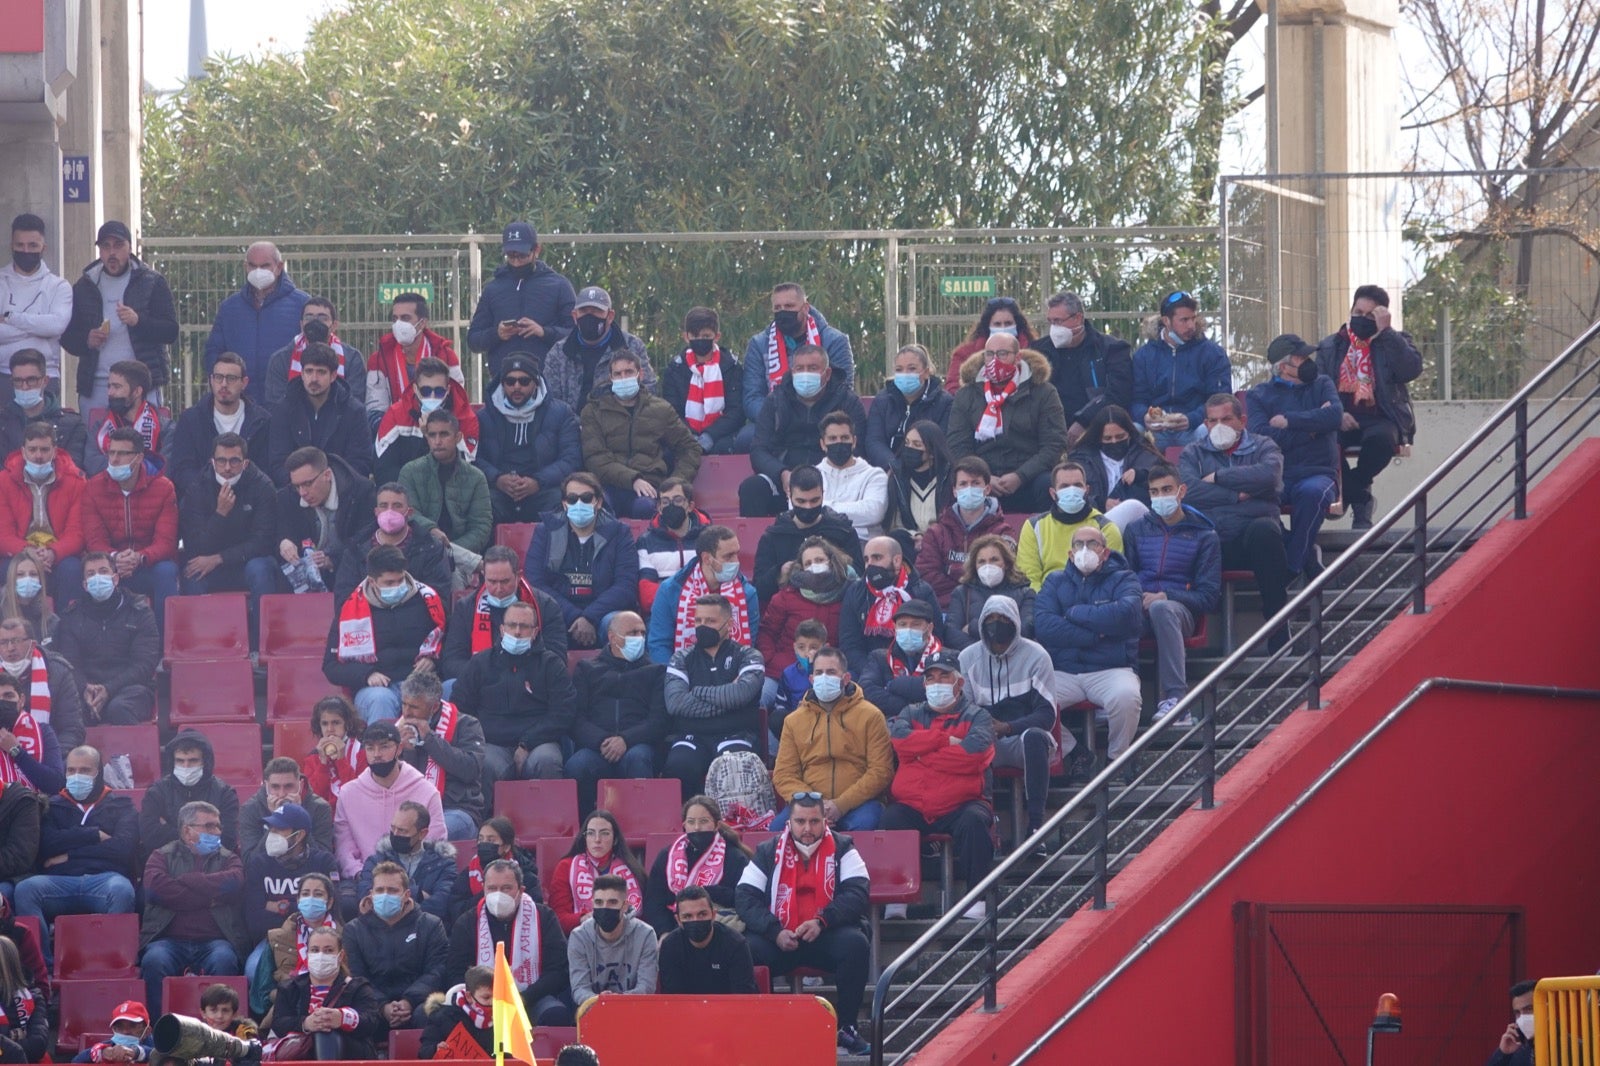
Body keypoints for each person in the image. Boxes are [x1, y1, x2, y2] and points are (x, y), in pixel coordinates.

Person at [735, 793, 872, 1056]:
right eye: (800, 821)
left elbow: (857, 893)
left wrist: (822, 921)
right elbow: (744, 897)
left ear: (825, 821)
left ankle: (846, 1028)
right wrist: (773, 931)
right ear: (789, 822)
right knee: (744, 949)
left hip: (826, 934)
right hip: (779, 937)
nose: (807, 829)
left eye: (813, 821)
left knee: (856, 944)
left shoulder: (844, 847)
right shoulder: (767, 850)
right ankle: (759, 1029)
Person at [882, 651, 996, 920]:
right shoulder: (910, 712)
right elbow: (899, 742)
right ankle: (898, 898)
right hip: (914, 804)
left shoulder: (978, 716)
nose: (936, 683)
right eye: (930, 678)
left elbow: (974, 756)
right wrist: (945, 741)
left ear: (959, 683)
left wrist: (921, 753)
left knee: (975, 820)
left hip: (962, 803)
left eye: (944, 676)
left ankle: (977, 897)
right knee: (891, 817)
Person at [1180, 393, 1290, 652]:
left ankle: (1278, 624)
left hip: (1252, 539)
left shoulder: (1265, 445)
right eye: (1212, 420)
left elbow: (1268, 478)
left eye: (1226, 419)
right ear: (1205, 424)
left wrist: (1218, 476)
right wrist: (1237, 494)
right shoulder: (1192, 453)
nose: (1219, 426)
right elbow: (1189, 491)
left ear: (1242, 420)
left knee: (1266, 531)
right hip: (1211, 538)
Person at [1313, 285, 1422, 530]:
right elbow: (1316, 389)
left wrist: (1387, 333)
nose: (1361, 319)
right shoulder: (1331, 345)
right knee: (1325, 445)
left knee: (1381, 441)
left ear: (1381, 316)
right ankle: (1361, 498)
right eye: (1357, 312)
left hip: (1381, 417)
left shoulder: (1394, 341)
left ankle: (1355, 488)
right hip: (1339, 417)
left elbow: (1410, 370)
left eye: (1369, 315)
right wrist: (1337, 413)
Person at [1118, 462, 1221, 720]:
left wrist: (1167, 596)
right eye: (1154, 492)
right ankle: (1119, 698)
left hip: (1180, 612)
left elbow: (1209, 597)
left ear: (1181, 490)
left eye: (1167, 489)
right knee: (1116, 612)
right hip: (1140, 608)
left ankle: (1177, 700)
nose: (1160, 497)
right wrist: (1135, 598)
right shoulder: (1135, 530)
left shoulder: (1205, 535)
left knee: (1161, 608)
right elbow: (1126, 576)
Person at [14, 746, 137, 960]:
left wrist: (69, 855)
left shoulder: (121, 805)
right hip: (58, 882)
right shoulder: (50, 805)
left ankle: (109, 962)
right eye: (71, 770)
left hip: (105, 880)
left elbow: (123, 848)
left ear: (99, 772)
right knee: (25, 889)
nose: (76, 776)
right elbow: (46, 845)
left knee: (122, 890)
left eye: (84, 770)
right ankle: (43, 966)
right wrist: (94, 834)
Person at [1034, 524, 1143, 761]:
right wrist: (1096, 635)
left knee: (1127, 697)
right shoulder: (1054, 581)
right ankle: (1075, 754)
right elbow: (1044, 626)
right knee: (1027, 703)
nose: (1085, 549)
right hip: (1063, 671)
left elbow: (1126, 616)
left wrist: (1073, 613)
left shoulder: (1124, 578)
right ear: (1070, 554)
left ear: (1105, 552)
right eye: (1079, 544)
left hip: (1111, 669)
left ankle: (1118, 759)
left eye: (1092, 543)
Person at [959, 596, 1064, 839]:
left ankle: (1036, 827)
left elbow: (1047, 714)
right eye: (991, 619)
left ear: (1015, 621)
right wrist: (987, 728)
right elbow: (964, 710)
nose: (997, 624)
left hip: (1022, 739)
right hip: (987, 738)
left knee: (1036, 737)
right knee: (969, 742)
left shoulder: (1037, 656)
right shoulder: (967, 658)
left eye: (1004, 619)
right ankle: (988, 829)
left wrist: (1007, 727)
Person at [138, 800, 248, 1014]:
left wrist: (190, 880)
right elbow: (155, 890)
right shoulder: (161, 855)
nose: (216, 831)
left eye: (218, 826)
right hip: (168, 940)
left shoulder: (229, 858)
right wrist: (210, 898)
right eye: (208, 826)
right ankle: (161, 1030)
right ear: (187, 831)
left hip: (216, 941)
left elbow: (234, 883)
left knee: (224, 959)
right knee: (154, 960)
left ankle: (221, 1032)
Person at [452, 600, 576, 789]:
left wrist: (527, 743)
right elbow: (460, 708)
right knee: (483, 765)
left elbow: (563, 712)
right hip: (491, 743)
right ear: (502, 629)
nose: (517, 631)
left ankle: (548, 818)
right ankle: (480, 818)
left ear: (534, 632)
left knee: (547, 761)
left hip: (539, 743)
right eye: (512, 625)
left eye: (524, 626)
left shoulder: (551, 665)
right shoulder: (480, 663)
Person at [1247, 334, 1342, 578]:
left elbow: (1334, 417)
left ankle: (1291, 567)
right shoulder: (1259, 395)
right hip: (1277, 474)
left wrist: (1290, 421)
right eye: (1301, 358)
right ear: (1282, 367)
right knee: (1250, 503)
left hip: (1318, 472)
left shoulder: (1322, 384)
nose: (1309, 361)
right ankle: (1305, 554)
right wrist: (1311, 431)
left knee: (1313, 494)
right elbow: (1261, 437)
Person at [771, 647, 893, 832]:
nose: (824, 677)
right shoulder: (793, 721)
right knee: (777, 829)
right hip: (807, 805)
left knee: (864, 825)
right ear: (811, 680)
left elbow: (880, 771)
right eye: (819, 673)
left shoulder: (871, 715)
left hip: (859, 804)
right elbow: (783, 775)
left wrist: (841, 805)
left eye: (831, 672)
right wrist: (813, 805)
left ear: (846, 678)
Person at [323, 544, 448, 724]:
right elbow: (330, 666)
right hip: (376, 689)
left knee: (439, 694)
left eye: (401, 580)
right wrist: (366, 674)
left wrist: (433, 659)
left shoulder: (428, 601)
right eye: (389, 583)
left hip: (421, 683)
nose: (397, 586)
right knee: (380, 699)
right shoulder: (349, 610)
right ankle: (383, 750)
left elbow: (451, 645)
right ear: (372, 581)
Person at [62, 220, 178, 413]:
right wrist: (87, 340)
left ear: (130, 248)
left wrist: (138, 321)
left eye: (118, 246)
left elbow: (171, 331)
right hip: (97, 385)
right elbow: (67, 337)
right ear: (99, 250)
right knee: (95, 442)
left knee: (145, 442)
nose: (112, 253)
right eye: (105, 247)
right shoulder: (84, 286)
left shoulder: (152, 282)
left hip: (142, 385)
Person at [948, 331, 1069, 514]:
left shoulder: (1044, 392)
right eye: (989, 354)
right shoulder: (967, 395)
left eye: (1002, 354)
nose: (995, 360)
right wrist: (985, 477)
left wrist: (1020, 476)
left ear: (1017, 357)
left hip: (1030, 477)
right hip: (982, 477)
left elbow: (1054, 444)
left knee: (1048, 484)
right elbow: (958, 445)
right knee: (956, 484)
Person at [740, 343, 866, 517]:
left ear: (827, 373)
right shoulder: (776, 400)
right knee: (752, 488)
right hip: (784, 478)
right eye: (800, 368)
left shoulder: (847, 401)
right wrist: (782, 473)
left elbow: (858, 446)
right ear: (792, 372)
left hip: (832, 479)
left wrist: (825, 475)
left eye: (812, 368)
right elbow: (758, 449)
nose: (805, 374)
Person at [444, 859, 571, 1026]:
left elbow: (557, 970)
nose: (498, 895)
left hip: (532, 998)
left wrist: (523, 998)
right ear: (483, 890)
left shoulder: (544, 917)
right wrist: (483, 999)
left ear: (521, 890)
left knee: (555, 1013)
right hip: (482, 1001)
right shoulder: (466, 922)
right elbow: (455, 972)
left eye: (506, 888)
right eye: (492, 888)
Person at [662, 594, 766, 799]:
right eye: (699, 620)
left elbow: (740, 694)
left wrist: (696, 691)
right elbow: (675, 703)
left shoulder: (749, 655)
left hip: (736, 733)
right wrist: (728, 697)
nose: (703, 626)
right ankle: (690, 823)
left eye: (711, 621)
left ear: (729, 624)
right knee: (678, 764)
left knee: (735, 766)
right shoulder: (681, 658)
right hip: (692, 735)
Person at [524, 472, 639, 650]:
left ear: (598, 502)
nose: (579, 504)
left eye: (586, 498)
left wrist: (590, 617)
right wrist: (575, 617)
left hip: (604, 614)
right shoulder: (545, 531)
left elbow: (625, 585)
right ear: (564, 504)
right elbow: (535, 583)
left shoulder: (619, 532)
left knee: (624, 626)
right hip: (558, 613)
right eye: (572, 498)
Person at [566, 612, 667, 815]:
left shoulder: (656, 672)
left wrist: (625, 740)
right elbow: (576, 718)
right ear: (612, 637)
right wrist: (602, 741)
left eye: (642, 633)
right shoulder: (587, 669)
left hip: (638, 746)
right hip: (596, 748)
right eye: (632, 633)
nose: (639, 638)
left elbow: (659, 721)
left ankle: (641, 826)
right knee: (577, 765)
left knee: (638, 759)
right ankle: (586, 828)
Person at [580, 349, 700, 520]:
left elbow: (690, 448)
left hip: (649, 485)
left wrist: (674, 484)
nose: (623, 378)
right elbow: (595, 457)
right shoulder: (593, 411)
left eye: (628, 372)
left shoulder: (661, 409)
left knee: (646, 509)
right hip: (607, 485)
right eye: (618, 374)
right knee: (599, 509)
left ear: (640, 374)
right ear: (611, 378)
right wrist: (633, 479)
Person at [81, 426, 178, 628]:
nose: (114, 460)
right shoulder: (93, 487)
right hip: (110, 564)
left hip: (147, 564)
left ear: (139, 457)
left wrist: (139, 557)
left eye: (122, 454)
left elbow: (167, 543)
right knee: (84, 571)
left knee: (167, 571)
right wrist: (115, 558)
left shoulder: (164, 488)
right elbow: (94, 540)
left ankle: (164, 643)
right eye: (111, 452)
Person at [331, 721, 447, 881]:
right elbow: (344, 848)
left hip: (414, 882)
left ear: (399, 749)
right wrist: (360, 874)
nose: (377, 754)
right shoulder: (348, 794)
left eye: (384, 747)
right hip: (364, 880)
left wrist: (406, 881)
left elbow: (435, 844)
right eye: (370, 748)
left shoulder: (427, 791)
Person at [54, 552, 160, 725]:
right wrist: (84, 687)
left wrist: (109, 689)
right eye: (91, 574)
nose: (97, 577)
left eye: (103, 571)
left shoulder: (139, 612)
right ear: (85, 585)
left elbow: (145, 665)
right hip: (87, 690)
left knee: (119, 708)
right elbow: (69, 663)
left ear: (115, 578)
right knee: (74, 710)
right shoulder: (71, 617)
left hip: (131, 689)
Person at [342, 862, 450, 1031]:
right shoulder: (353, 930)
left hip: (418, 1003)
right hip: (372, 1005)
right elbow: (357, 975)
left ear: (406, 894)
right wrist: (383, 1007)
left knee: (431, 1014)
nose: (385, 895)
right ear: (371, 894)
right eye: (379, 890)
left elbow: (436, 970)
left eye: (392, 890)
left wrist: (408, 1001)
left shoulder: (431, 925)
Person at [475, 352, 581, 524]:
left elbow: (571, 459)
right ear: (502, 384)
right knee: (481, 505)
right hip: (499, 491)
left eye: (524, 381)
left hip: (543, 490)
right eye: (510, 381)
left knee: (561, 502)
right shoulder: (484, 417)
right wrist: (497, 479)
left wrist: (538, 481)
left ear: (536, 382)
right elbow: (474, 458)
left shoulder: (561, 413)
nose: (517, 387)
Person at [440, 545, 567, 686]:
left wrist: (513, 678)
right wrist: (487, 675)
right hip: (481, 685)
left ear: (518, 576)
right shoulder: (465, 608)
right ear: (483, 576)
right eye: (492, 582)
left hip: (530, 686)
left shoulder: (546, 606)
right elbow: (451, 662)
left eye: (505, 581)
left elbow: (557, 660)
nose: (499, 589)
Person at [466, 222, 577, 383]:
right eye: (511, 256)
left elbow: (576, 335)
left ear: (536, 250)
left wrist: (543, 332)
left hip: (548, 384)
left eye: (522, 255)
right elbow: (473, 340)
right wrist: (497, 334)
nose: (516, 262)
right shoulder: (493, 289)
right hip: (503, 385)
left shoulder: (559, 286)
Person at [203, 241, 310, 405]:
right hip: (241, 405)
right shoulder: (229, 308)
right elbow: (213, 352)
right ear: (246, 266)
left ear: (279, 266)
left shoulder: (302, 305)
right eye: (253, 265)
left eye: (265, 265)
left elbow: (315, 352)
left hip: (288, 403)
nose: (258, 271)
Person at [241, 803, 336, 987]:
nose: (272, 834)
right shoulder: (259, 863)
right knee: (253, 972)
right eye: (271, 829)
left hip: (320, 936)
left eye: (279, 829)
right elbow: (254, 920)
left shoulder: (323, 861)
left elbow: (331, 908)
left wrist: (278, 907)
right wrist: (303, 910)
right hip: (272, 939)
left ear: (299, 835)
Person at [176, 433, 280, 601]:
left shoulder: (262, 486)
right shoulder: (197, 487)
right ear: (212, 462)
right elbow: (194, 545)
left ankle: (261, 627)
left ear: (245, 463)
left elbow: (263, 542)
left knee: (261, 569)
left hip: (247, 562)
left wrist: (220, 558)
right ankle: (202, 628)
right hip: (207, 562)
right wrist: (220, 514)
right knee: (192, 572)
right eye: (221, 461)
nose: (227, 468)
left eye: (234, 461)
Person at [1130, 290, 1233, 449]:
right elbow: (1136, 399)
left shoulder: (1213, 354)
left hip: (1195, 427)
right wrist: (1145, 417)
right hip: (1155, 430)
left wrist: (1191, 419)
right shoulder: (1144, 355)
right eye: (1184, 320)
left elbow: (1219, 399)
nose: (1191, 325)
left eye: (1193, 318)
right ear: (1166, 321)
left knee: (1210, 431)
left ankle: (1208, 473)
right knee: (1132, 431)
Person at [742, 283, 855, 424]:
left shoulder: (835, 341)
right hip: (776, 422)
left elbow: (843, 392)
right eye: (777, 308)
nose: (783, 312)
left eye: (789, 306)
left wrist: (810, 421)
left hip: (823, 423)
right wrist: (777, 418)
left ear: (805, 308)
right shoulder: (759, 344)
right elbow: (752, 398)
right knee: (744, 439)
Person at [0, 419, 86, 604]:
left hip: (58, 554)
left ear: (55, 451)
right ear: (23, 451)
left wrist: (53, 553)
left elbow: (77, 533)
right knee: (6, 568)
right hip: (19, 551)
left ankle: (68, 630)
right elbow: (4, 534)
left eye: (45, 450)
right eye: (32, 450)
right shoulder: (4, 481)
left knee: (71, 569)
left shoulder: (76, 482)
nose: (38, 456)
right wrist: (28, 552)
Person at [1032, 291, 1134, 447]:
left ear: (1078, 318)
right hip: (1049, 431)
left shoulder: (1111, 349)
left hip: (1098, 429)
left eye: (1059, 321)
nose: (1054, 327)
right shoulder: (1039, 351)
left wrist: (1083, 421)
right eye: (1051, 322)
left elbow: (1118, 394)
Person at [266, 342, 375, 487]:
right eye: (309, 371)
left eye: (321, 372)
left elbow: (360, 462)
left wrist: (326, 486)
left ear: (333, 375)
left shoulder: (354, 411)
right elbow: (278, 462)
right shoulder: (284, 409)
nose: (314, 379)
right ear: (302, 374)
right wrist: (305, 486)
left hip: (340, 492)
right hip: (295, 492)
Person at [750, 465, 864, 603]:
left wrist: (838, 567)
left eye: (815, 500)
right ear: (789, 494)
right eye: (801, 501)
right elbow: (759, 591)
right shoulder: (773, 537)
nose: (808, 507)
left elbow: (859, 580)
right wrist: (779, 573)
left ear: (823, 494)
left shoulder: (843, 531)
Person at [268, 927, 385, 1060]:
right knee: (320, 1033)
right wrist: (306, 1023)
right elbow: (279, 1024)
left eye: (328, 950)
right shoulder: (289, 987)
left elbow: (372, 1022)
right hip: (301, 1053)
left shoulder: (358, 987)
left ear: (340, 956)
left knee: (326, 1034)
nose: (321, 955)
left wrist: (342, 1019)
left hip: (349, 1054)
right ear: (307, 954)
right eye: (315, 950)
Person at [395, 669, 486, 840]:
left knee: (427, 836)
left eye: (414, 707)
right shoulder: (398, 729)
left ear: (434, 706)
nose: (406, 713)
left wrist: (430, 739)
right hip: (410, 811)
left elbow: (470, 769)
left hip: (457, 810)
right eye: (404, 704)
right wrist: (407, 751)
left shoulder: (467, 725)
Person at [647, 525, 758, 664]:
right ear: (706, 558)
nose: (736, 562)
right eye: (728, 556)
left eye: (737, 554)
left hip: (732, 676)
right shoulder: (670, 591)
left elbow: (749, 646)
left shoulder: (747, 593)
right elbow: (659, 645)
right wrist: (674, 679)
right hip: (681, 675)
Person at [641, 796, 752, 934]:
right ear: (684, 825)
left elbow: (745, 900)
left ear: (716, 825)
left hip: (720, 931)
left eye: (704, 821)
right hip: (675, 930)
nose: (697, 827)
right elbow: (654, 902)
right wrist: (664, 933)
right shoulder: (667, 856)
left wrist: (712, 892)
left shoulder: (735, 857)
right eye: (691, 822)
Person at [167, 352, 272, 497]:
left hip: (250, 502)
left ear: (244, 383)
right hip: (204, 502)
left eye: (231, 378)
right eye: (218, 377)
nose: (223, 384)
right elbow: (181, 470)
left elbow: (267, 468)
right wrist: (211, 492)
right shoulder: (191, 420)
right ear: (211, 380)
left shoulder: (262, 420)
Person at [543, 285, 659, 415]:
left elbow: (649, 390)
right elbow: (550, 400)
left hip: (618, 426)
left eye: (596, 311)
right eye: (584, 311)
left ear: (610, 316)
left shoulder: (632, 346)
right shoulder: (559, 353)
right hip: (570, 428)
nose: (589, 316)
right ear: (575, 316)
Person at [398, 409, 494, 566]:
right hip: (420, 553)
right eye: (432, 435)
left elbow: (481, 528)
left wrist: (450, 550)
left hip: (461, 559)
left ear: (458, 437)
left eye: (444, 434)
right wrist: (430, 530)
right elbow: (408, 513)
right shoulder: (410, 472)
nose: (437, 441)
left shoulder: (476, 477)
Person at [756, 538, 852, 695]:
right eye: (808, 563)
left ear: (831, 561)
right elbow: (766, 633)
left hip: (829, 674)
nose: (814, 565)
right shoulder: (786, 596)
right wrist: (772, 661)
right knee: (762, 698)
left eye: (819, 560)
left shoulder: (849, 592)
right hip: (782, 671)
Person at [915, 456, 1015, 604]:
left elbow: (1005, 576)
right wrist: (964, 593)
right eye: (963, 484)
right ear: (955, 491)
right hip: (945, 608)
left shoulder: (1002, 533)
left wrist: (951, 571)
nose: (969, 488)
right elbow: (927, 576)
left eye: (975, 483)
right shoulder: (935, 533)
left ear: (987, 489)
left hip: (986, 607)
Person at [330, 483, 451, 604]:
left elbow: (438, 597)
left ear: (409, 512)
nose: (390, 511)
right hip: (370, 619)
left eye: (397, 506)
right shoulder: (355, 549)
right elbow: (344, 599)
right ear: (376, 512)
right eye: (383, 506)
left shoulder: (430, 548)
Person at [838, 535, 940, 676]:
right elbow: (850, 645)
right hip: (871, 670)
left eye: (877, 558)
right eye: (866, 559)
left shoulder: (921, 591)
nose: (870, 565)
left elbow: (936, 636)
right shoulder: (856, 592)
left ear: (897, 560)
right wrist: (874, 672)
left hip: (917, 670)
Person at [1016, 461, 1125, 591]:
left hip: (1091, 601)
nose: (1072, 491)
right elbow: (1030, 579)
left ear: (1087, 490)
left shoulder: (1106, 528)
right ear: (1053, 493)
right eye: (1064, 486)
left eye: (1078, 485)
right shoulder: (1033, 527)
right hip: (1047, 601)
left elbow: (1111, 578)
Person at [374, 356, 480, 485]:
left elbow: (466, 472)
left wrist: (430, 435)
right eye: (426, 391)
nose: (432, 396)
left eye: (439, 391)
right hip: (405, 494)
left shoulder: (465, 417)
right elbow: (383, 469)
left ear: (448, 390)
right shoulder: (396, 414)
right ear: (415, 389)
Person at [0, 213, 72, 393]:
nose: (25, 251)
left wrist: (9, 318)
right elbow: (47, 327)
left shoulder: (59, 286)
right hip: (3, 375)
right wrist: (38, 328)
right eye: (20, 245)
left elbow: (56, 326)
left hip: (46, 378)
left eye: (32, 245)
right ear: (12, 246)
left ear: (43, 247)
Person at [663, 307, 750, 454]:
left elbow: (736, 411)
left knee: (725, 448)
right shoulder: (675, 369)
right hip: (684, 434)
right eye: (695, 336)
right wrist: (691, 436)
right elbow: (672, 411)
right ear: (686, 337)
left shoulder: (731, 367)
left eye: (706, 336)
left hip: (722, 435)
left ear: (716, 336)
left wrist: (710, 435)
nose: (700, 340)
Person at [141, 731, 240, 859]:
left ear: (205, 762)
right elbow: (149, 837)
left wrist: (168, 829)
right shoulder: (156, 793)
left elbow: (228, 838)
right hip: (168, 863)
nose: (186, 766)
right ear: (172, 762)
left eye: (193, 761)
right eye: (180, 761)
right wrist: (205, 833)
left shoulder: (225, 793)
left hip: (213, 863)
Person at [367, 292, 466, 420]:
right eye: (395, 319)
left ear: (422, 323)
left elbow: (458, 404)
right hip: (395, 430)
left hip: (438, 430)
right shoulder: (379, 360)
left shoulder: (445, 355)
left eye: (405, 318)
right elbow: (376, 410)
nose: (398, 324)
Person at [354, 800, 457, 922]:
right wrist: (418, 894)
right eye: (393, 828)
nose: (395, 834)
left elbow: (441, 906)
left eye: (402, 831)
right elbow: (365, 897)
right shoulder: (376, 861)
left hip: (424, 931)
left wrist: (392, 901)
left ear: (422, 834)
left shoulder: (443, 864)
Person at [263, 297, 369, 413]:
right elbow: (275, 406)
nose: (315, 322)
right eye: (308, 317)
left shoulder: (352, 358)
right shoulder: (281, 359)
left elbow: (355, 403)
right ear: (301, 324)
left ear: (334, 325)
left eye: (322, 318)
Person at [547, 812, 645, 935]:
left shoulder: (631, 868)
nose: (597, 840)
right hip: (581, 938)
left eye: (604, 833)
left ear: (615, 839)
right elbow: (558, 918)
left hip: (627, 938)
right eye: (591, 833)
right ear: (585, 838)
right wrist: (583, 918)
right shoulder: (566, 867)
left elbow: (644, 917)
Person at [1068, 404, 1164, 530]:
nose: (1114, 442)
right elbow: (1072, 495)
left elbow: (1164, 484)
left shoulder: (1146, 455)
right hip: (1091, 520)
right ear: (1098, 438)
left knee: (1131, 506)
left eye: (1120, 437)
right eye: (1107, 438)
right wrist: (1102, 503)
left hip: (1137, 524)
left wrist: (1140, 474)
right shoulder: (1082, 460)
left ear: (1129, 434)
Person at [566, 874, 658, 1003]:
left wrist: (616, 1001)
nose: (605, 908)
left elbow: (646, 987)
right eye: (599, 902)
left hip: (634, 1009)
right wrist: (599, 1001)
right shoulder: (579, 937)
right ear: (592, 904)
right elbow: (579, 989)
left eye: (612, 902)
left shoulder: (645, 935)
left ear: (625, 906)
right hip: (593, 1009)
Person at [864, 343, 953, 470]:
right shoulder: (882, 400)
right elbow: (874, 441)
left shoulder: (944, 403)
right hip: (888, 471)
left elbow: (941, 444)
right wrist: (893, 467)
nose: (905, 374)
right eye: (899, 369)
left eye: (912, 368)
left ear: (926, 372)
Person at [0, 618, 85, 749]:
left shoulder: (59, 673)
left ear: (32, 645)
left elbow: (72, 729)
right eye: (3, 642)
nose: (10, 648)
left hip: (48, 755)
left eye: (16, 641)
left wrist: (52, 758)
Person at [656, 885, 757, 995]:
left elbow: (743, 997)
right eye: (687, 916)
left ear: (713, 915)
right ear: (678, 920)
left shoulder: (736, 944)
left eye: (702, 914)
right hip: (686, 1010)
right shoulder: (670, 946)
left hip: (729, 1009)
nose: (695, 920)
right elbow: (672, 998)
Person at [83, 360, 174, 477]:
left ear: (137, 391)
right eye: (109, 386)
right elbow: (92, 465)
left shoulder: (165, 429)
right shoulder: (99, 427)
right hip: (108, 491)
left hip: (150, 492)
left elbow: (165, 467)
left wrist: (121, 468)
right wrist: (131, 466)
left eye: (117, 387)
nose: (110, 392)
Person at [944, 534, 1035, 651]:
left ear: (1006, 563)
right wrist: (984, 653)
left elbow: (1025, 631)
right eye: (981, 561)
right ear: (974, 566)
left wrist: (973, 627)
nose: (988, 566)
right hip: (973, 662)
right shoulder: (962, 593)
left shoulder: (1025, 593)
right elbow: (951, 634)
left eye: (994, 560)